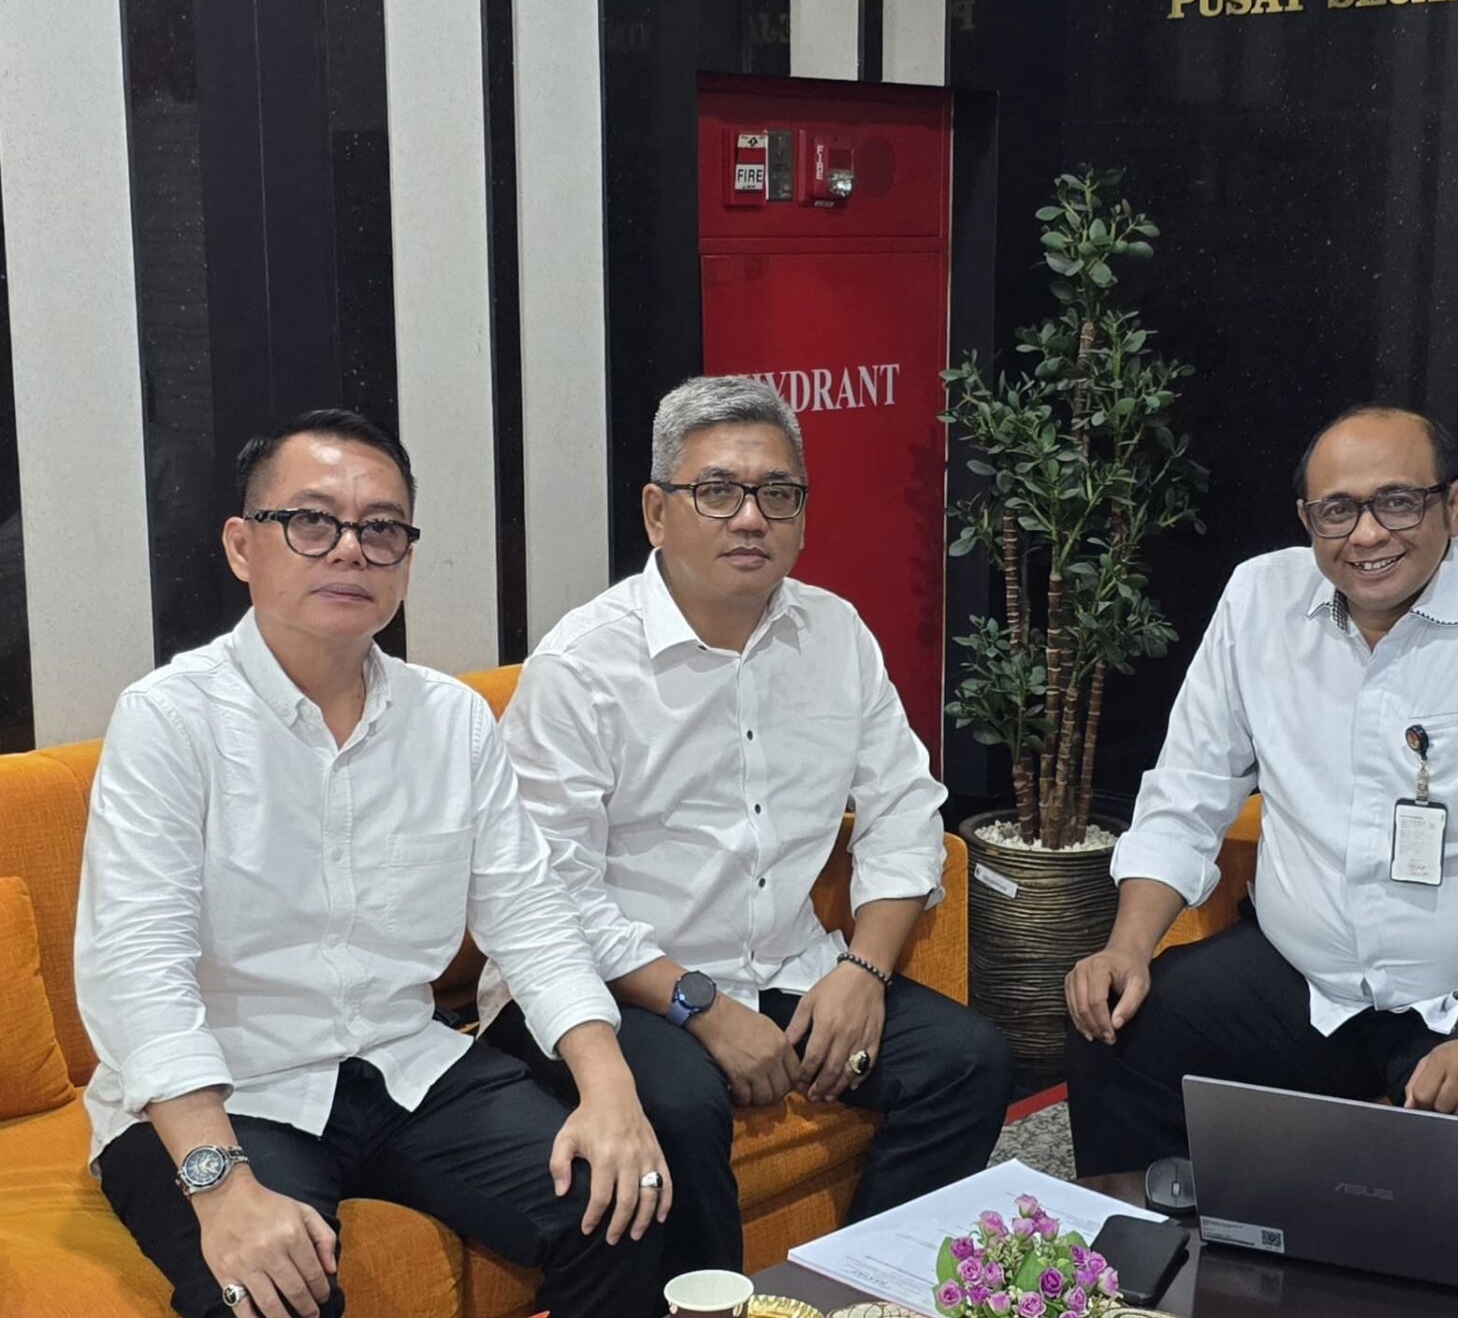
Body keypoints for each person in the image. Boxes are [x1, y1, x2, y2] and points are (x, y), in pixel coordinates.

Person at [76, 410, 669, 1318]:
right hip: (231, 1091)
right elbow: (137, 966)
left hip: (405, 1065)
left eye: (381, 528)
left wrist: (610, 1087)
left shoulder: (451, 720)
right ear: (242, 546)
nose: (351, 549)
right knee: (267, 1296)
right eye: (311, 522)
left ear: (405, 559)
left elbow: (532, 917)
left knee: (624, 1199)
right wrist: (220, 1184)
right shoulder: (169, 720)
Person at [481, 374, 1011, 1279]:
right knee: (682, 1103)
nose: (751, 519)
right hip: (612, 987)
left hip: (788, 968)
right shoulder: (583, 666)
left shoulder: (836, 634)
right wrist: (700, 1007)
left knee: (968, 1061)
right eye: (718, 492)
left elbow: (906, 810)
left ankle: (848, 1292)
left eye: (778, 494)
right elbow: (551, 893)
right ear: (657, 512)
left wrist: (864, 972)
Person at [1063, 405, 1458, 1175]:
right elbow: (1188, 790)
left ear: (1454, 504)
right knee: (1118, 1029)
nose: (1367, 535)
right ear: (1307, 519)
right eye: (1337, 511)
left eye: (1397, 502)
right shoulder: (1258, 600)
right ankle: (1153, 1250)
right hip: (1307, 980)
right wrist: (1125, 948)